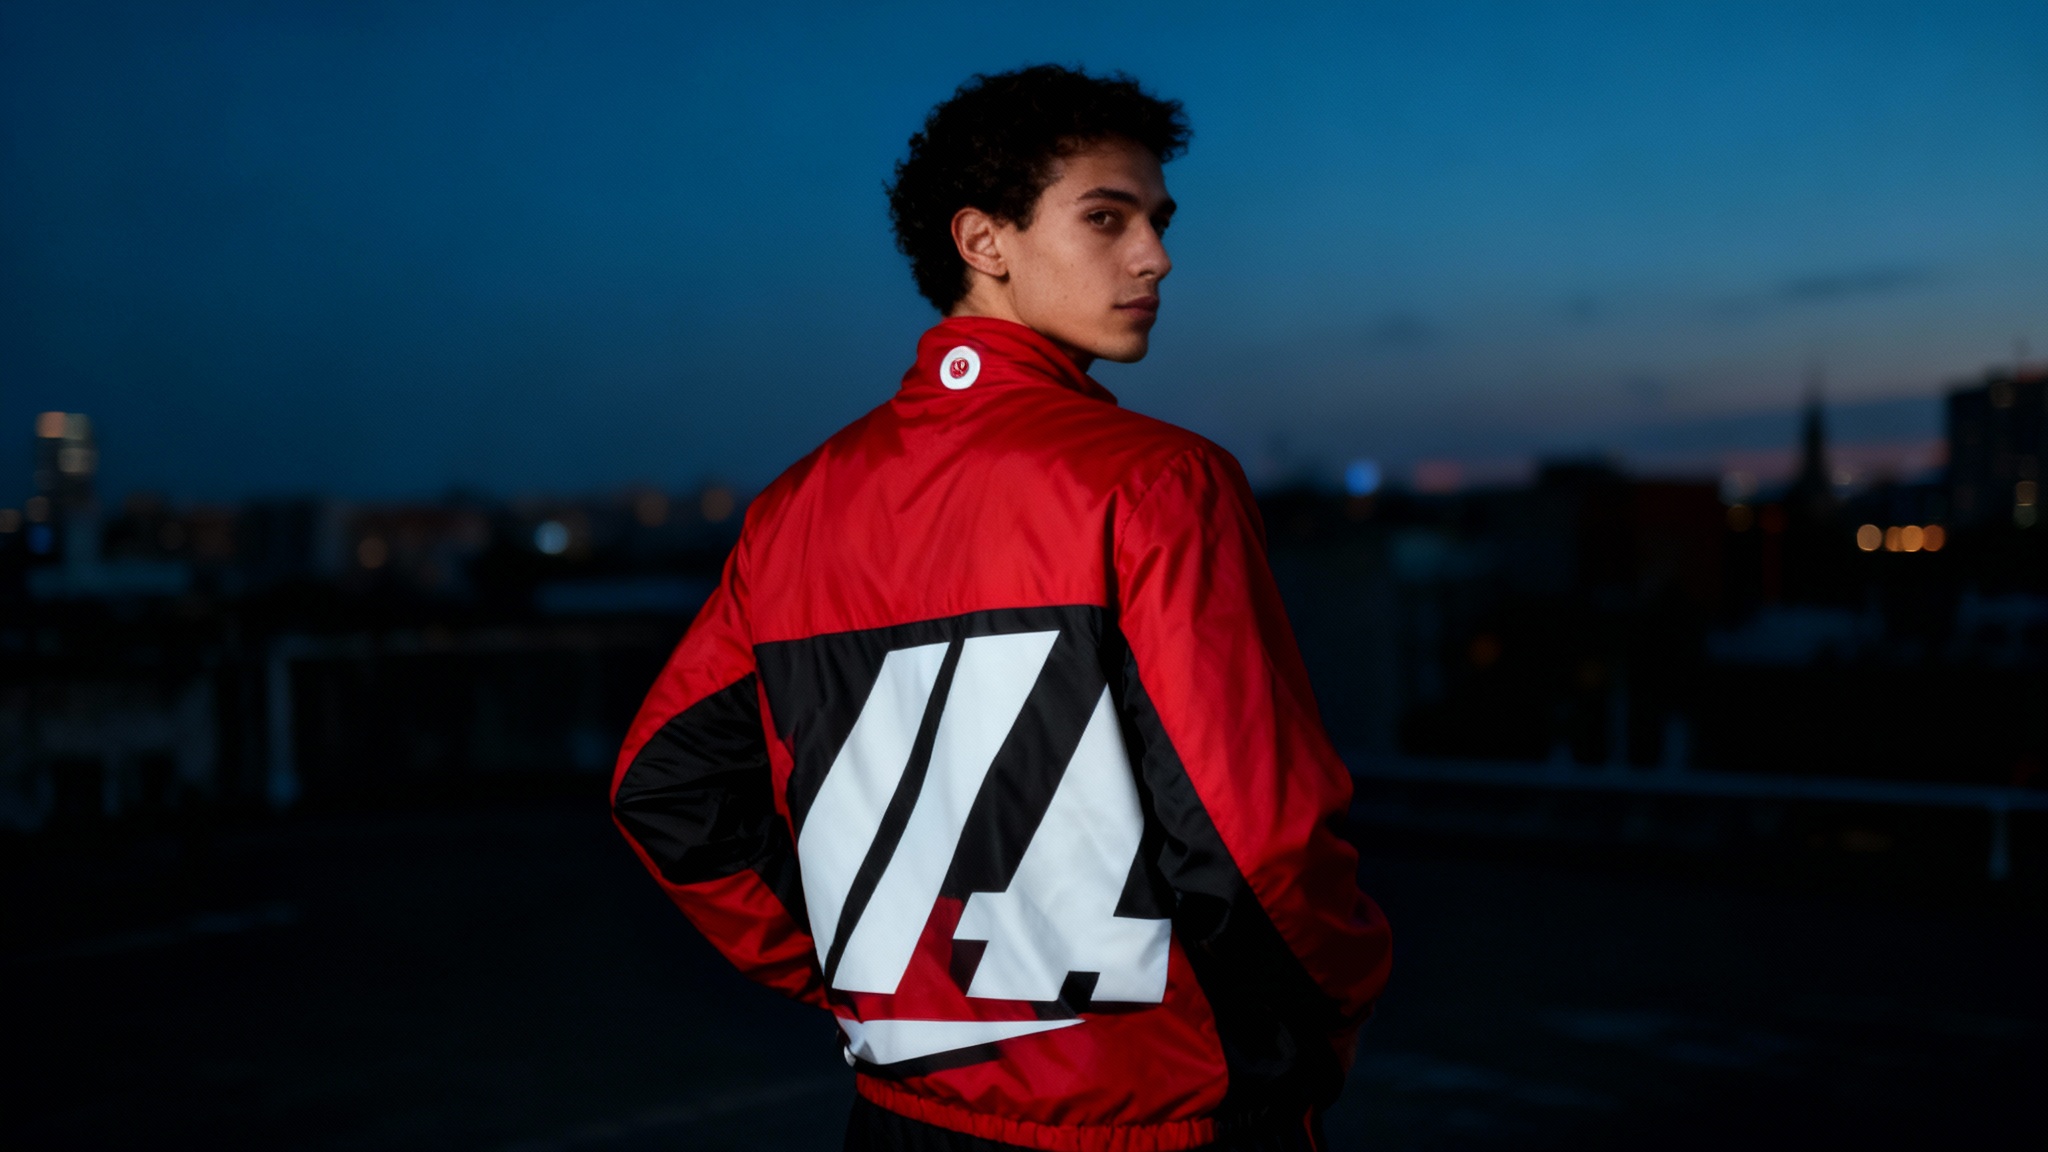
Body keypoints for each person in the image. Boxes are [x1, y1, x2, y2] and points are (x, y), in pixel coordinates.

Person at [611, 65, 1391, 1152]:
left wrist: (868, 971)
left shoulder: (792, 508)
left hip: (897, 1115)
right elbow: (1255, 840)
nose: (1155, 256)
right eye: (1105, 219)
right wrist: (1322, 1023)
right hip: (1152, 1120)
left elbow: (667, 785)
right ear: (983, 241)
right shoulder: (1156, 482)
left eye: (1157, 223)